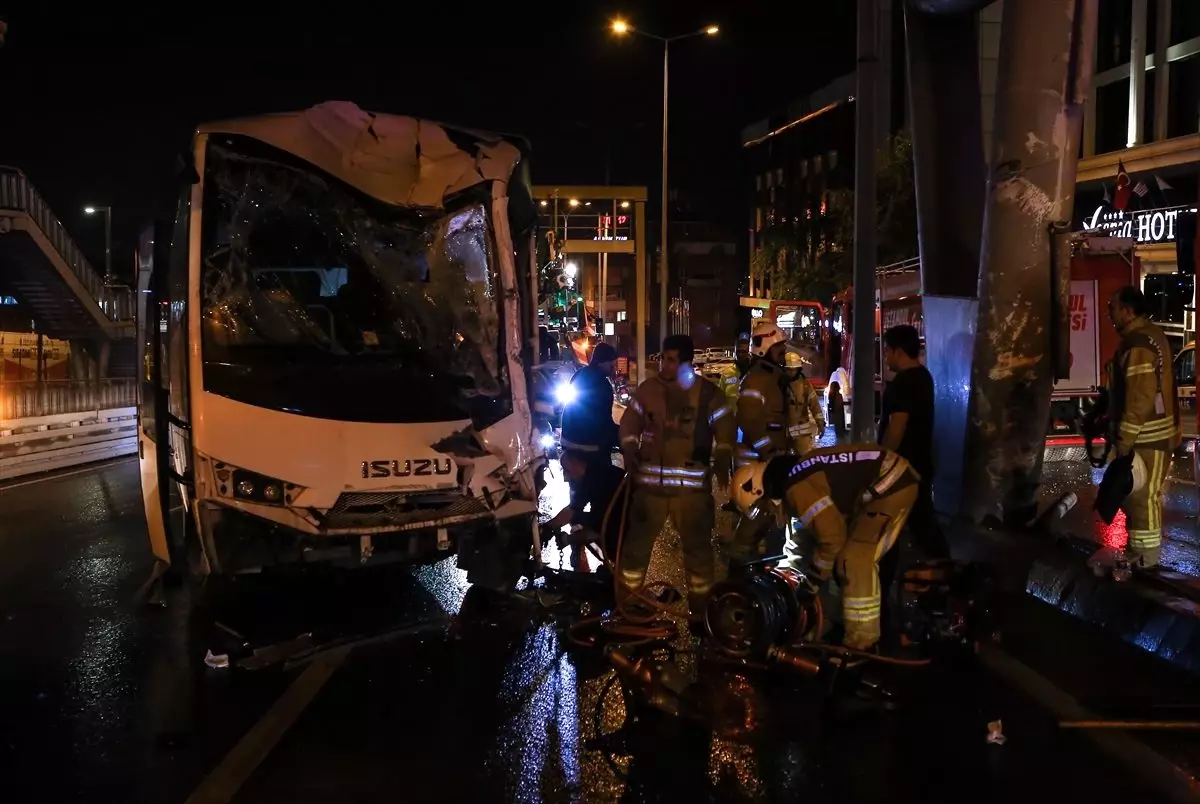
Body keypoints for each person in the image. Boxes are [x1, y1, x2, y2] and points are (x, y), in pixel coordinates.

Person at [731, 446, 919, 650]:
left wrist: (811, 583)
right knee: (843, 560)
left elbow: (832, 540)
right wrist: (788, 575)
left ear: (763, 491)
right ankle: (858, 626)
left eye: (764, 507)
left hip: (890, 484)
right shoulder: (794, 478)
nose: (768, 514)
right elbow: (802, 540)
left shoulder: (797, 487)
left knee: (853, 560)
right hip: (881, 484)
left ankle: (861, 646)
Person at [618, 334, 735, 624]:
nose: (664, 364)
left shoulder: (708, 394)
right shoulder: (647, 391)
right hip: (650, 491)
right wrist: (630, 446)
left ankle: (701, 614)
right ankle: (628, 606)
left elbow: (725, 427)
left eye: (671, 360)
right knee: (634, 551)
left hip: (691, 495)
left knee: (698, 555)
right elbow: (629, 422)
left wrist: (723, 456)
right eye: (663, 358)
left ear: (685, 363)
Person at [1106, 286, 1181, 568]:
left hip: (1146, 437)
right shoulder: (1150, 336)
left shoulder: (1137, 343)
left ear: (1127, 310)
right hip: (1153, 434)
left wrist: (1124, 437)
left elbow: (1140, 395)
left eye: (1113, 307)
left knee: (1142, 497)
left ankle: (1145, 561)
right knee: (1136, 496)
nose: (1109, 313)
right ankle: (1140, 554)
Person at [878, 324, 947, 560]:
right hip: (919, 465)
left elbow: (896, 428)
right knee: (920, 521)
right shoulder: (924, 377)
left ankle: (941, 570)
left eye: (887, 350)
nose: (885, 355)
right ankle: (941, 568)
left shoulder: (904, 383)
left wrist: (880, 460)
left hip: (901, 469)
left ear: (898, 351)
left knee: (892, 524)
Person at [728, 319, 792, 563]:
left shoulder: (772, 377)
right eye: (779, 348)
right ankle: (740, 565)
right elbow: (749, 419)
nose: (783, 353)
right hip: (756, 462)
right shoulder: (758, 379)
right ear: (765, 348)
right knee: (755, 516)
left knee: (767, 517)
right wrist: (770, 450)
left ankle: (761, 563)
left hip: (767, 460)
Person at [541, 449, 628, 572]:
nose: (566, 477)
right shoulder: (590, 475)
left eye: (567, 470)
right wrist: (548, 526)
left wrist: (567, 540)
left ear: (577, 463)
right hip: (612, 521)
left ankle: (619, 574)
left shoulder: (604, 481)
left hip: (625, 528)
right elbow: (572, 509)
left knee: (593, 526)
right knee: (577, 517)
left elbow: (599, 527)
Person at [560, 342, 619, 467]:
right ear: (601, 362)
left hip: (567, 440)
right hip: (588, 445)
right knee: (604, 479)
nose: (613, 368)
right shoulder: (602, 385)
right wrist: (622, 437)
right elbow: (603, 422)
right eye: (611, 365)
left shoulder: (579, 374)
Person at [783, 351, 825, 456]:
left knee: (805, 462)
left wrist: (820, 422)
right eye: (789, 370)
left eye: (794, 370)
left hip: (803, 435)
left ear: (798, 369)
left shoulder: (805, 385)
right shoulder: (779, 384)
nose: (791, 373)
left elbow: (814, 404)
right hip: (784, 434)